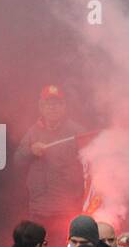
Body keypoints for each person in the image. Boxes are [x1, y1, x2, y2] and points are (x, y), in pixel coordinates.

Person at [13, 84, 89, 236]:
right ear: (41, 107)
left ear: (64, 107)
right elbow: (17, 160)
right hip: (39, 209)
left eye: (57, 104)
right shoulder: (33, 132)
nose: (52, 108)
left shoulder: (77, 132)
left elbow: (91, 166)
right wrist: (31, 151)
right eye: (48, 104)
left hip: (67, 209)